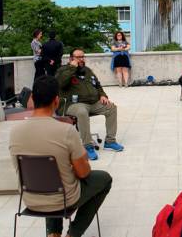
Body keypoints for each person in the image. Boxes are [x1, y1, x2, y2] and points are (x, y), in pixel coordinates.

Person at [9, 75, 112, 237]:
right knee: (104, 179)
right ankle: (73, 234)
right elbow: (84, 173)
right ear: (56, 101)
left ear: (32, 99)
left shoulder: (15, 132)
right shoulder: (66, 131)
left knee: (51, 177)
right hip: (63, 200)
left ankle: (53, 234)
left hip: (30, 199)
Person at [56, 48, 124, 161]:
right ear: (71, 58)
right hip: (73, 104)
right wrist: (72, 68)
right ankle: (87, 146)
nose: (81, 59)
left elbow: (97, 85)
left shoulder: (87, 70)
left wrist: (103, 95)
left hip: (92, 102)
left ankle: (110, 141)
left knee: (111, 108)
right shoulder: (63, 70)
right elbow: (61, 83)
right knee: (82, 112)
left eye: (83, 57)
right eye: (78, 57)